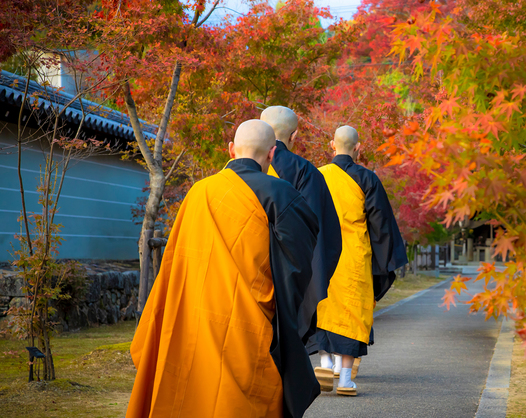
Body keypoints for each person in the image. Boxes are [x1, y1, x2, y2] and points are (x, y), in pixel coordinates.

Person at [126, 120, 320, 418]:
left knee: (189, 394)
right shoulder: (281, 194)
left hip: (192, 316)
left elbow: (175, 263)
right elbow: (298, 268)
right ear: (272, 154)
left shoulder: (198, 192)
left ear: (231, 149)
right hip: (246, 325)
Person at [308, 125, 408, 396]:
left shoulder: (316, 176)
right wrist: (386, 261)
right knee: (352, 312)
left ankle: (326, 363)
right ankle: (345, 380)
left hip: (320, 255)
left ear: (331, 145)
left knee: (323, 305)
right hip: (353, 254)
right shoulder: (367, 178)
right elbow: (381, 225)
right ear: (359, 147)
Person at [259, 106, 342, 347]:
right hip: (286, 275)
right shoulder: (306, 172)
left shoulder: (232, 170)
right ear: (294, 135)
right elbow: (319, 232)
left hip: (242, 268)